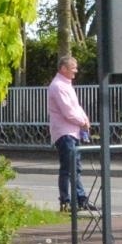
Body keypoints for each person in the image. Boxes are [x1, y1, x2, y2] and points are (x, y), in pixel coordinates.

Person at [47, 54, 95, 213]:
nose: (76, 71)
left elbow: (76, 106)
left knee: (75, 167)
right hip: (64, 132)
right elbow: (68, 111)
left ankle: (80, 199)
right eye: (73, 68)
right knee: (68, 168)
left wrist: (85, 119)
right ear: (63, 68)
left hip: (72, 132)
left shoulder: (66, 85)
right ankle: (66, 201)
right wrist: (82, 122)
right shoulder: (58, 86)